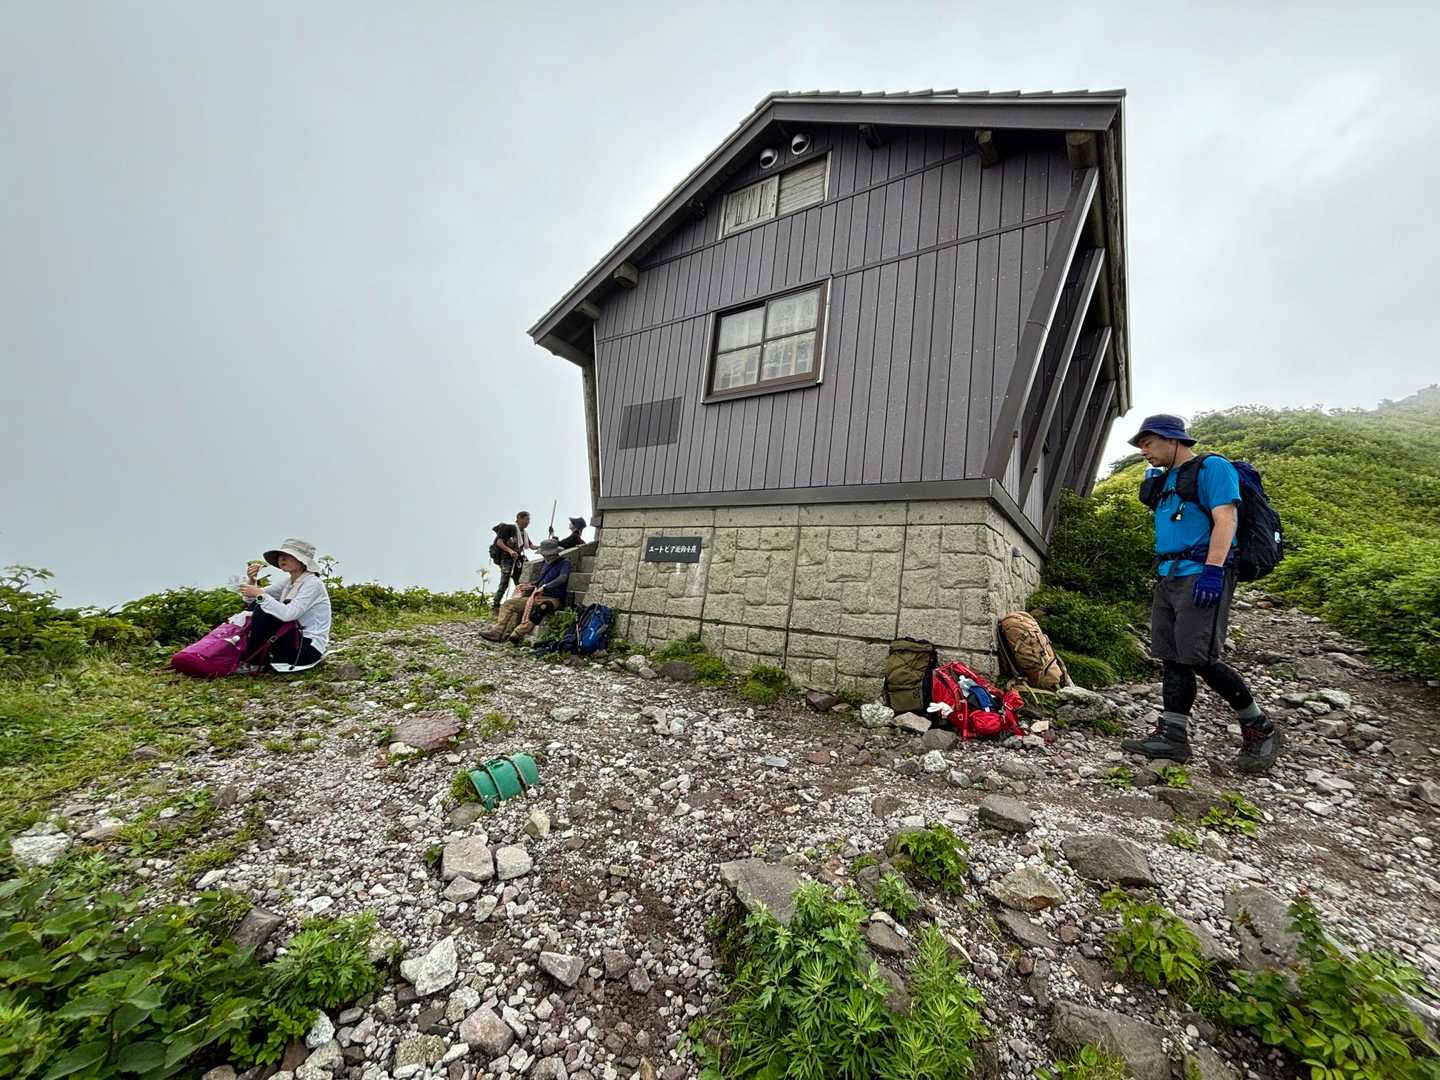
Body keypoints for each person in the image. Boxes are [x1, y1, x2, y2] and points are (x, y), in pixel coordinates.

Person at [1119, 415, 1282, 773]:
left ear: (1171, 439)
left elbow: (1226, 519)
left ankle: (1260, 726)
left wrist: (1213, 571)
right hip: (1169, 574)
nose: (1143, 450)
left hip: (1202, 573)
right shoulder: (1167, 479)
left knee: (1201, 657)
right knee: (1172, 656)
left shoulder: (1213, 468)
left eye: (1147, 443)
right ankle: (1173, 736)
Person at [236, 538, 332, 673]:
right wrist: (252, 580)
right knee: (260, 605)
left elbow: (289, 614)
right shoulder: (289, 582)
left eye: (288, 556)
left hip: (306, 649)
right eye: (280, 556)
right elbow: (252, 599)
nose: (282, 559)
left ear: (302, 561)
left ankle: (255, 663)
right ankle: (251, 658)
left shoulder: (313, 583)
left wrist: (259, 595)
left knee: (263, 608)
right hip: (293, 640)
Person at [480, 538, 571, 643]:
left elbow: (563, 578)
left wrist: (546, 586)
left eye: (548, 554)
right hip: (536, 596)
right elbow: (541, 580)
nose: (545, 556)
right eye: (544, 554)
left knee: (543, 607)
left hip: (553, 599)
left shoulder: (564, 563)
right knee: (508, 604)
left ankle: (518, 633)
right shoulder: (544, 563)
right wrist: (531, 585)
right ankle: (497, 631)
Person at [490, 511, 536, 610]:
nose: (528, 522)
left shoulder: (524, 533)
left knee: (520, 582)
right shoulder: (509, 528)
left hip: (517, 560)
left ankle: (517, 605)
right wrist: (510, 551)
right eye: (526, 519)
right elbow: (499, 542)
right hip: (506, 559)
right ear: (519, 518)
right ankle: (495, 606)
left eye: (529, 520)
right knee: (504, 583)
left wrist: (545, 546)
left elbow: (531, 546)